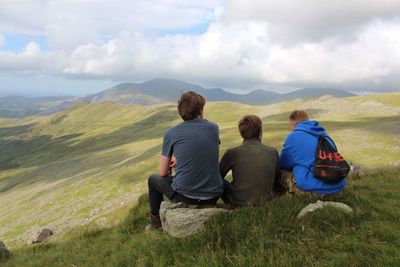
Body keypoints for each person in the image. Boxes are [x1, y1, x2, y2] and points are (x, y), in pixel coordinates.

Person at [145, 91, 223, 231]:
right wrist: (178, 158)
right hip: (213, 196)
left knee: (153, 179)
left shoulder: (171, 133)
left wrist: (173, 160)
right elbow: (201, 150)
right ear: (200, 110)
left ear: (181, 112)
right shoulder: (213, 127)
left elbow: (163, 172)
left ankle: (155, 224)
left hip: (185, 196)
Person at [219, 115, 282, 207]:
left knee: (215, 177)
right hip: (265, 201)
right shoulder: (273, 152)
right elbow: (278, 181)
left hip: (236, 202)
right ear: (260, 132)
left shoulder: (232, 152)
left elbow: (218, 176)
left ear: (241, 133)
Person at [279, 110, 347, 195]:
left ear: (294, 124)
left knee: (282, 172)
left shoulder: (293, 137)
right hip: (338, 188)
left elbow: (283, 164)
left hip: (315, 190)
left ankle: (277, 199)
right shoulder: (325, 135)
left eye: (291, 125)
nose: (291, 129)